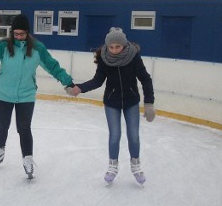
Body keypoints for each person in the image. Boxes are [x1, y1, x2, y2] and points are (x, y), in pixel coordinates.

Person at [0, 14, 75, 179]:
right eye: (15, 34)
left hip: (26, 94)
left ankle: (27, 158)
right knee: (2, 125)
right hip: (3, 93)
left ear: (28, 33)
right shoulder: (3, 46)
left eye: (22, 34)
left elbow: (53, 66)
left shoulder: (37, 48)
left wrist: (68, 83)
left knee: (24, 128)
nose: (18, 37)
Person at [66, 27, 155, 186]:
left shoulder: (133, 56)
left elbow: (145, 79)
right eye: (111, 47)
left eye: (118, 46)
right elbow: (98, 80)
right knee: (115, 135)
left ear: (124, 45)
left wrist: (149, 103)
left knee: (133, 135)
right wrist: (80, 88)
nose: (114, 50)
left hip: (131, 101)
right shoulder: (104, 58)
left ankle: (135, 165)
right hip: (112, 101)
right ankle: (112, 166)